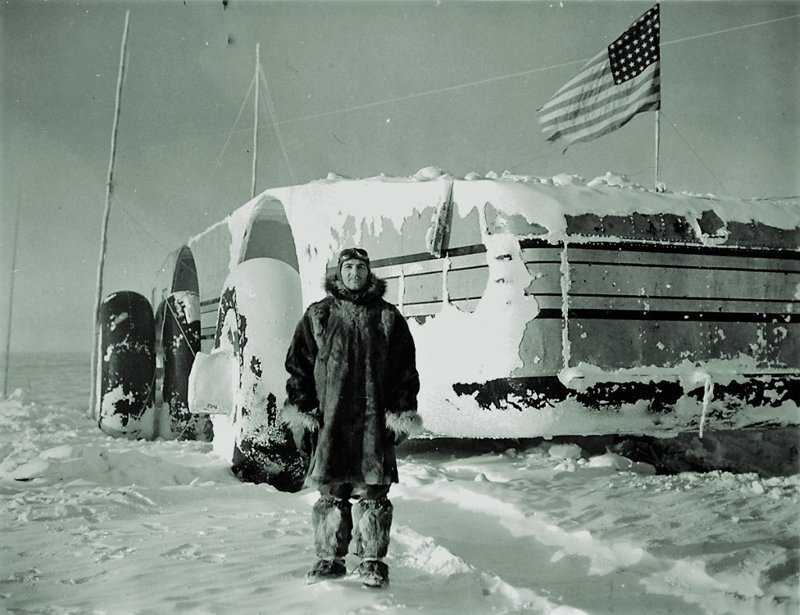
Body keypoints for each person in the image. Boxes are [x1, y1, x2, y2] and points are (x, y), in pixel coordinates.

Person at [281, 247, 422, 588]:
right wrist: (304, 411)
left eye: (361, 267)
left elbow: (405, 370)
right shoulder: (318, 316)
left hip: (373, 425)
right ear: (338, 273)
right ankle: (329, 559)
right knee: (332, 492)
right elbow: (298, 367)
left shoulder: (389, 318)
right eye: (349, 268)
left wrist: (400, 414)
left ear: (369, 273)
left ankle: (373, 562)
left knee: (374, 493)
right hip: (332, 424)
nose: (355, 273)